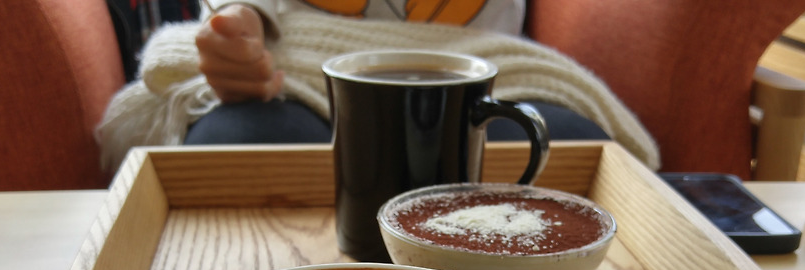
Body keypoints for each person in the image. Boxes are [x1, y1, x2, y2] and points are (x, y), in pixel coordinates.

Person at [183, 0, 611, 145]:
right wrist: (241, 14)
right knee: (230, 145)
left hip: (483, 67)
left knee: (573, 144)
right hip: (298, 67)